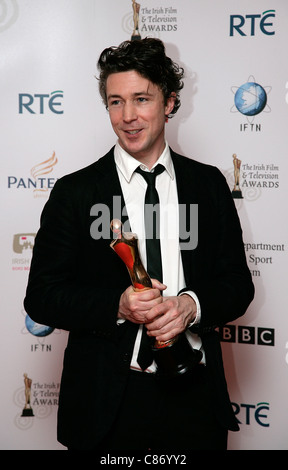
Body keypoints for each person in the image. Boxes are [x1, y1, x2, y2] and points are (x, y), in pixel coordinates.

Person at [24, 38, 254, 451]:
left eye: (141, 99)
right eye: (115, 101)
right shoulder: (75, 192)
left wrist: (191, 306)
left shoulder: (209, 185)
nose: (127, 116)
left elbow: (238, 284)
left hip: (195, 399)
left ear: (169, 102)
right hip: (106, 406)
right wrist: (117, 305)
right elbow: (42, 297)